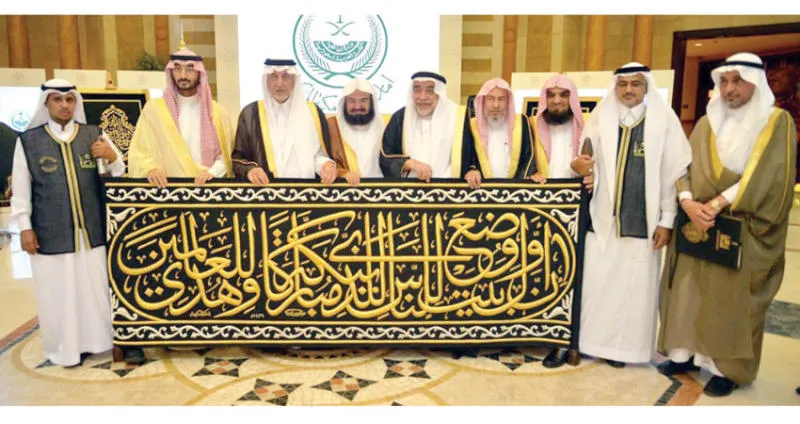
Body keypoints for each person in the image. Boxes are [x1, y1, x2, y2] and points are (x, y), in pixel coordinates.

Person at [657, 52, 797, 397]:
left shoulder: (775, 122)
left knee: (730, 302)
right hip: (697, 223)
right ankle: (683, 355)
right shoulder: (706, 122)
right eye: (724, 82)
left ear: (756, 83)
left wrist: (716, 204)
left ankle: (723, 369)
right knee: (688, 292)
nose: (730, 89)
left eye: (738, 81)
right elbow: (682, 165)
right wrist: (687, 201)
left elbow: (768, 175)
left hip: (741, 225)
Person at [571, 63, 692, 369]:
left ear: (646, 86)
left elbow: (673, 173)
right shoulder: (600, 118)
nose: (628, 90)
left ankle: (623, 351)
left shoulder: (663, 121)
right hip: (602, 221)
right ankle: (591, 343)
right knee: (597, 285)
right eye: (622, 84)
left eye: (635, 84)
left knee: (632, 290)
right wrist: (582, 169)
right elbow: (585, 162)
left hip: (642, 223)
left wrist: (667, 220)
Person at [10, 79, 125, 367]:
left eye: (69, 99)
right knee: (58, 295)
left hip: (92, 232)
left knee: (93, 292)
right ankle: (65, 350)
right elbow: (22, 188)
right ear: (46, 103)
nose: (64, 105)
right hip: (51, 233)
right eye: (57, 99)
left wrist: (112, 157)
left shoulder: (93, 135)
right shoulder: (29, 142)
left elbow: (120, 174)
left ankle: (99, 343)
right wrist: (25, 227)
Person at [526, 74, 588, 368]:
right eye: (551, 95)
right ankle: (542, 334)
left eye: (563, 95)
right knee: (541, 276)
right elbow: (524, 164)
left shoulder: (587, 130)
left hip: (576, 216)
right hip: (540, 217)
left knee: (571, 279)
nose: (557, 101)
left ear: (572, 99)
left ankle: (565, 342)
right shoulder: (531, 129)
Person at [128, 42, 234, 187]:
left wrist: (212, 173)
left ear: (199, 73)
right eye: (177, 69)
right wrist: (150, 169)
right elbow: (139, 150)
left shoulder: (218, 113)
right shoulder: (154, 110)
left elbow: (226, 156)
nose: (183, 75)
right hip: (167, 190)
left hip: (206, 188)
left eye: (190, 69)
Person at [231, 58, 336, 184]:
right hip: (265, 192)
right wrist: (250, 170)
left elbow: (318, 156)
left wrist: (326, 165)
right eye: (274, 77)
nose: (279, 83)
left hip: (305, 192)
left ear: (294, 80)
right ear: (266, 80)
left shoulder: (313, 112)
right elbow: (237, 160)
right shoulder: (251, 114)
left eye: (285, 77)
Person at [380, 71, 471, 180]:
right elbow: (385, 158)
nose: (422, 97)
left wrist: (471, 170)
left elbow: (469, 156)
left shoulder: (457, 117)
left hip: (449, 186)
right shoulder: (400, 118)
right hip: (409, 188)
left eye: (430, 90)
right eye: (417, 89)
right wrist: (409, 163)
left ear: (439, 93)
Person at [463, 77, 536, 189]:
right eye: (490, 99)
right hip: (480, 190)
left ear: (508, 102)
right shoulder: (472, 125)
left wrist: (518, 184)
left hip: (515, 190)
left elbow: (529, 156)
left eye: (501, 99)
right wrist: (471, 170)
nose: (496, 105)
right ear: (483, 101)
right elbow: (468, 156)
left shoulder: (521, 122)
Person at [326, 78, 386, 185]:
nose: (357, 106)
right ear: (344, 103)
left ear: (372, 102)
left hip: (382, 189)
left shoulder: (386, 125)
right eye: (351, 101)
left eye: (363, 100)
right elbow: (323, 161)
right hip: (343, 190)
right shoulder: (331, 126)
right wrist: (343, 173)